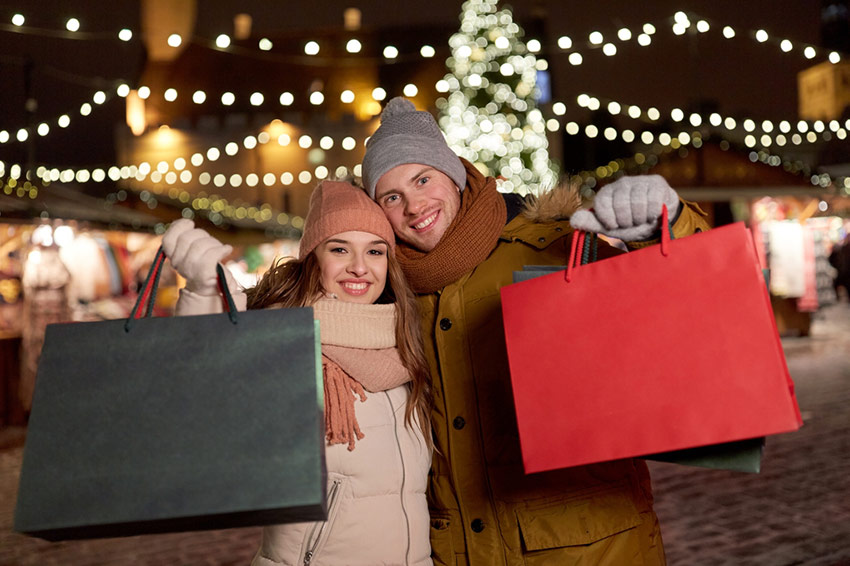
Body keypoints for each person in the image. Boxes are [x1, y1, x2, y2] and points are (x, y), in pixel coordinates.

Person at [361, 97, 713, 565]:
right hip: (459, 552)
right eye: (391, 196)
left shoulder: (552, 248)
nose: (413, 206)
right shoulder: (388, 292)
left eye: (422, 179)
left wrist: (664, 226)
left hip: (587, 546)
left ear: (456, 174)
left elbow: (692, 301)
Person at [162, 181, 434, 566]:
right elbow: (209, 408)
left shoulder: (403, 348)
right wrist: (203, 300)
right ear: (313, 258)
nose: (359, 266)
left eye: (375, 251)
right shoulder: (284, 340)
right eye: (340, 249)